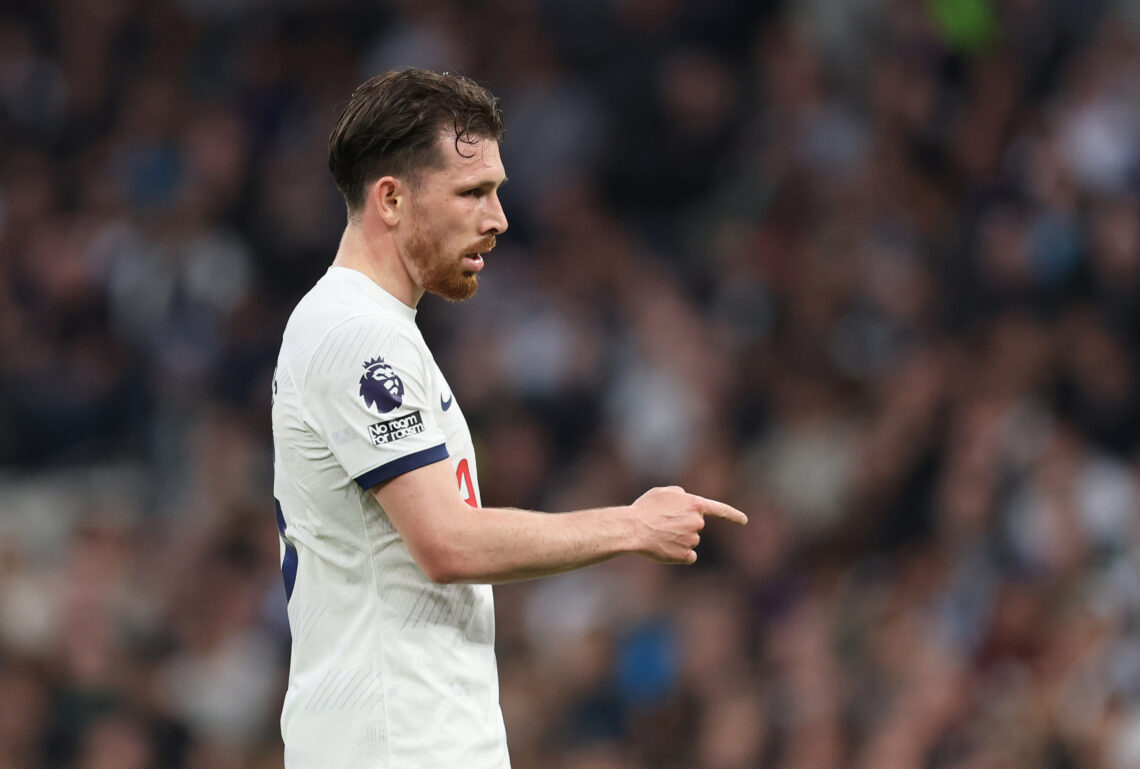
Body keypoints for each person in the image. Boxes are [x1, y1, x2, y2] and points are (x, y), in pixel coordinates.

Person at [270, 68, 748, 769]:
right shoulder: (356, 334)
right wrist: (633, 524)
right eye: (473, 192)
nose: (497, 218)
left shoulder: (366, 328)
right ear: (392, 199)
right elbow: (447, 542)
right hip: (395, 745)